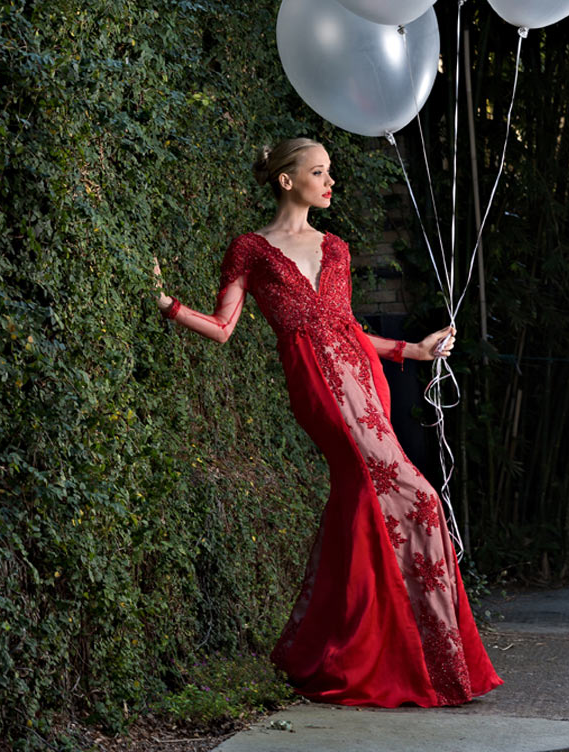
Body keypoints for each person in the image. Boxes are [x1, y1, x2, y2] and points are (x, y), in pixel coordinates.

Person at [152, 137, 502, 707]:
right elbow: (222, 326)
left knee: (363, 503)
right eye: (319, 171)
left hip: (366, 381)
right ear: (287, 180)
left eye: (330, 171)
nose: (329, 180)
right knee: (417, 499)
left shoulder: (335, 248)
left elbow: (349, 330)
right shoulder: (252, 250)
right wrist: (168, 305)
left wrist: (415, 350)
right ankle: (416, 658)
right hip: (317, 385)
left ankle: (358, 652)